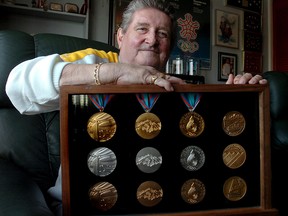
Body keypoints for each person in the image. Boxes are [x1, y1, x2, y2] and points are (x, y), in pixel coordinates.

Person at [5, 0, 267, 215]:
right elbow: (17, 85)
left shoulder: (180, 88)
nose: (152, 40)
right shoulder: (92, 62)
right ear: (120, 35)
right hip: (88, 203)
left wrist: (241, 95)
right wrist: (113, 73)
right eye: (142, 29)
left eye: (162, 34)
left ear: (170, 47)